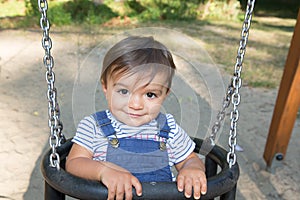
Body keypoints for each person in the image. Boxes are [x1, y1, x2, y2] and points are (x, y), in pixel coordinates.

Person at [66, 36, 207, 200]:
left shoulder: (168, 129)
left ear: (165, 94)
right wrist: (102, 170)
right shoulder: (94, 126)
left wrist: (192, 169)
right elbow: (74, 162)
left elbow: (189, 159)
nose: (135, 104)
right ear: (106, 87)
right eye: (124, 92)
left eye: (150, 94)